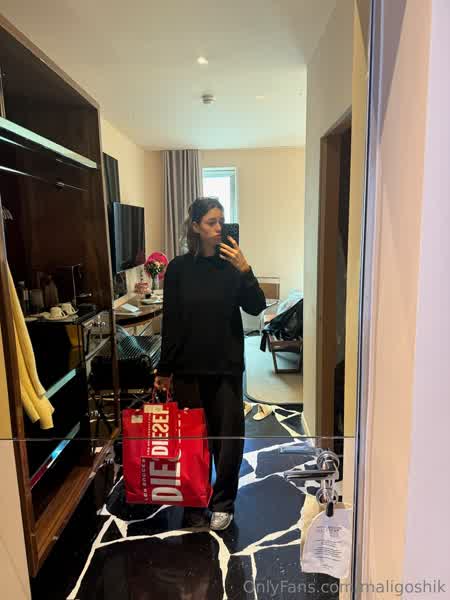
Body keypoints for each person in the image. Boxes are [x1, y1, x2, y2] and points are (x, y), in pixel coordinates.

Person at [154, 197, 266, 530]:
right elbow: (172, 322)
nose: (219, 228)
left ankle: (223, 502)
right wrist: (164, 369)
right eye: (211, 222)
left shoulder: (232, 267)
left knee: (227, 440)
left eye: (221, 221)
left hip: (226, 367)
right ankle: (194, 501)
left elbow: (256, 307)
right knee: (192, 441)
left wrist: (245, 269)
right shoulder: (177, 269)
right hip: (188, 369)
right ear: (195, 226)